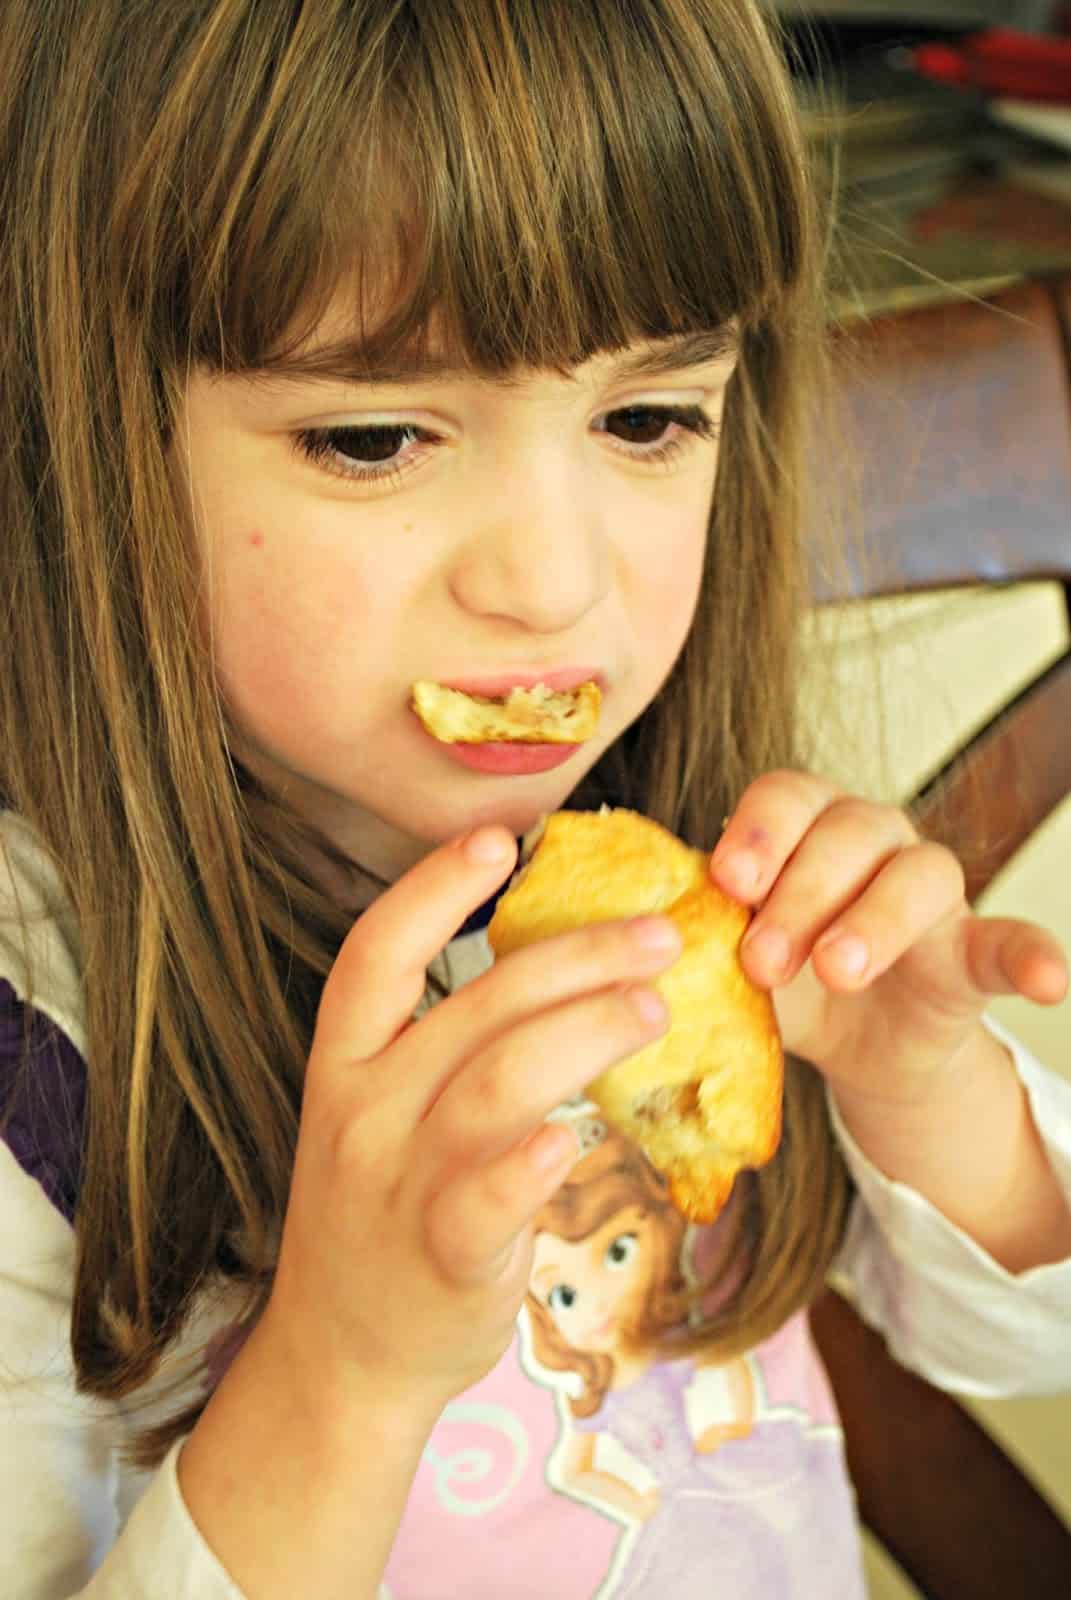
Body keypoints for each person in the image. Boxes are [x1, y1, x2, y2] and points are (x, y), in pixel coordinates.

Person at [0, 2, 1069, 1596]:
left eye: (647, 418)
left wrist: (931, 1093)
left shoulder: (690, 864)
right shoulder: (39, 1069)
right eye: (373, 436)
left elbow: (1025, 1331)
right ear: (79, 443)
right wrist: (343, 1375)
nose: (555, 585)